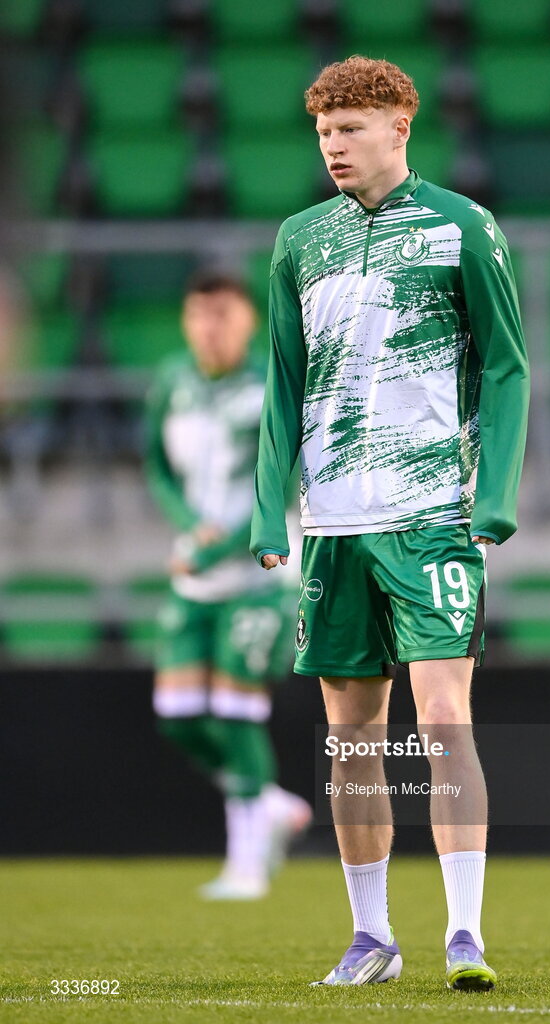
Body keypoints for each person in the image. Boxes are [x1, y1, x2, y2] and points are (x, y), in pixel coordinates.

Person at [250, 57, 529, 987]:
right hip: (331, 522)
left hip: (432, 515)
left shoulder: (459, 225)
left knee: (444, 719)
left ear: (400, 128)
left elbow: (506, 366)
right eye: (325, 132)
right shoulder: (299, 239)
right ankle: (372, 937)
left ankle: (465, 934)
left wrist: (494, 495)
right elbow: (283, 384)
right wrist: (268, 503)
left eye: (353, 129)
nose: (335, 146)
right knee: (351, 740)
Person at [145, 270, 311, 901]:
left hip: (259, 573)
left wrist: (229, 536)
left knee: (236, 712)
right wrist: (190, 528)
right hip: (197, 576)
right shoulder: (172, 383)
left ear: (246, 321)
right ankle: (266, 802)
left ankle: (247, 864)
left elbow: (292, 473)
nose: (210, 328)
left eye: (223, 315)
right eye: (199, 315)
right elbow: (157, 467)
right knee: (179, 717)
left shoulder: (270, 381)